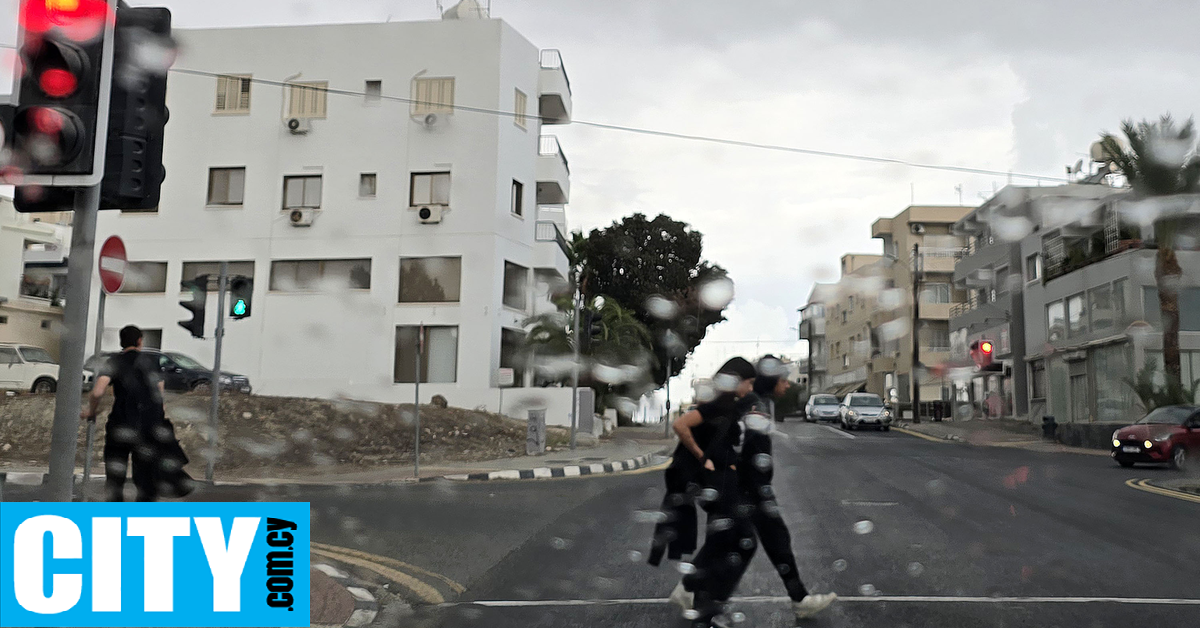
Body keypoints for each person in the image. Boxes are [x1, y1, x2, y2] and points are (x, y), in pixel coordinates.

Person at [736, 357, 837, 621]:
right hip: (751, 488)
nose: (788, 384)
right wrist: (758, 488)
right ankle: (697, 595)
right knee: (751, 543)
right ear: (771, 381)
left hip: (749, 488)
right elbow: (747, 450)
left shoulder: (758, 403)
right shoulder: (755, 405)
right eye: (783, 379)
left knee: (759, 542)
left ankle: (799, 598)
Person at [648, 358, 756, 578]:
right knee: (730, 531)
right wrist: (701, 457)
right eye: (749, 382)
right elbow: (680, 424)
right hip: (711, 477)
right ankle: (695, 586)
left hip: (720, 477)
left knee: (723, 532)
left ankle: (699, 587)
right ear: (738, 381)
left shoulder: (728, 404)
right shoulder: (717, 404)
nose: (751, 388)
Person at [82, 325, 170, 502]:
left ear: (121, 342)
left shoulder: (114, 362)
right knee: (145, 478)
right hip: (147, 427)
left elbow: (98, 392)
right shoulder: (150, 362)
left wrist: (92, 410)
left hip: (120, 424)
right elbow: (160, 393)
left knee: (115, 478)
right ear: (139, 341)